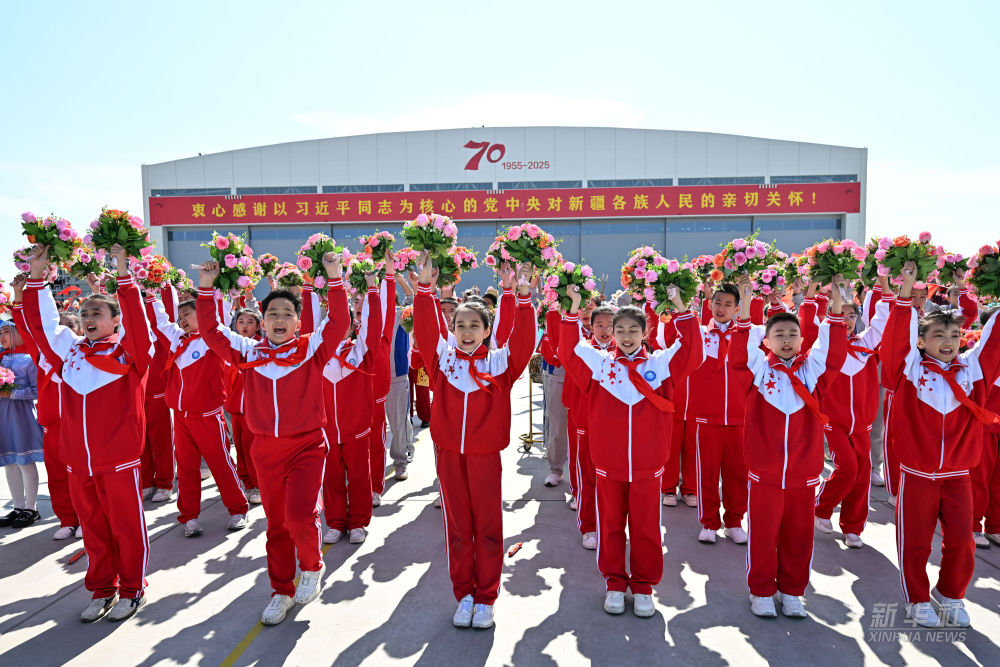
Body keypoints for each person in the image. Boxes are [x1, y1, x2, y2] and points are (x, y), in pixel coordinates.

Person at [196, 253, 349, 626]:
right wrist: (205, 288)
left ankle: (311, 567)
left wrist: (334, 278)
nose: (280, 319)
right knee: (277, 524)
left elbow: (339, 323)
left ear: (298, 321)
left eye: (287, 314)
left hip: (307, 446)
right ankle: (281, 590)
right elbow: (211, 331)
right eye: (273, 314)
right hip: (264, 449)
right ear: (262, 321)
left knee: (300, 516)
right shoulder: (250, 352)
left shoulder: (311, 348)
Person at [22, 244, 155, 623]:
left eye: (97, 312)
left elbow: (139, 326)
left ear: (115, 321)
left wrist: (124, 274)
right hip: (78, 462)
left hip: (118, 460)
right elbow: (43, 327)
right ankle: (102, 589)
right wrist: (36, 277)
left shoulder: (129, 353)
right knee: (94, 531)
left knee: (126, 528)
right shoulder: (70, 353)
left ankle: (132, 589)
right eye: (84, 313)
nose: (88, 317)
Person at [560, 283, 702, 618]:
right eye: (620, 330)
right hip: (608, 464)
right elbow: (569, 351)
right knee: (610, 526)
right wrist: (572, 308)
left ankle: (642, 587)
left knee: (646, 529)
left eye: (633, 330)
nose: (626, 336)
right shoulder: (600, 364)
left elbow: (692, 351)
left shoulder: (661, 365)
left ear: (645, 333)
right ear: (611, 333)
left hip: (647, 466)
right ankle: (613, 583)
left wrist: (682, 309)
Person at [413, 254, 535, 630]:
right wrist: (424, 289)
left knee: (487, 528)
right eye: (460, 325)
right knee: (458, 528)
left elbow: (524, 341)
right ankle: (464, 594)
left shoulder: (499, 363)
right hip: (449, 456)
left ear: (486, 330)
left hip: (485, 458)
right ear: (452, 329)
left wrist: (524, 298)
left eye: (474, 325)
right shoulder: (442, 361)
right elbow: (426, 329)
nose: (467, 331)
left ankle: (486, 598)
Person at [880, 261, 1000, 628]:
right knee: (916, 543)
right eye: (938, 336)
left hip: (959, 475)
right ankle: (917, 599)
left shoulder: (972, 370)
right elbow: (895, 342)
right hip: (918, 475)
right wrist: (905, 293)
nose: (947, 342)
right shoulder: (910, 369)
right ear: (921, 341)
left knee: (962, 542)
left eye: (953, 335)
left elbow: (994, 343)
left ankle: (951, 595)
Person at [730, 273, 846, 619]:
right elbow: (740, 354)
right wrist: (746, 305)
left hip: (803, 474)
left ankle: (793, 591)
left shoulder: (812, 370)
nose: (786, 339)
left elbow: (832, 349)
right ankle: (762, 590)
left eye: (792, 334)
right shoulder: (757, 370)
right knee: (763, 536)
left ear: (802, 340)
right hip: (764, 473)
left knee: (799, 536)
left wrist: (836, 303)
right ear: (766, 341)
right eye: (778, 334)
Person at [145, 294, 250, 536]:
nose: (182, 319)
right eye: (180, 316)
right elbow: (160, 321)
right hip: (182, 417)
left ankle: (238, 509)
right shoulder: (177, 339)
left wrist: (212, 291)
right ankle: (189, 517)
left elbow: (216, 314)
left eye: (187, 314)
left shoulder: (212, 340)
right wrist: (150, 292)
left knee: (221, 464)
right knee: (186, 468)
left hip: (208, 416)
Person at [804, 276, 891, 548]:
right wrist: (830, 296)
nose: (847, 320)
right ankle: (821, 507)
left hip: (862, 425)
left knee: (862, 477)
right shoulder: (826, 347)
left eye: (852, 315)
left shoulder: (866, 344)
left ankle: (853, 527)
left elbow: (883, 320)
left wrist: (884, 282)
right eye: (842, 314)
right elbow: (817, 325)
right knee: (848, 469)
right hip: (834, 423)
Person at [300, 271, 380, 546]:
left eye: (342, 324)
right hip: (325, 431)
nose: (337, 328)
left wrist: (372, 289)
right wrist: (308, 286)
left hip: (356, 428)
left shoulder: (360, 350)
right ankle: (335, 522)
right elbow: (307, 324)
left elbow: (373, 325)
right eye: (331, 323)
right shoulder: (316, 353)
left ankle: (358, 522)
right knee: (331, 478)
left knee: (359, 477)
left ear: (350, 327)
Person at [9, 275, 80, 538]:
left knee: (81, 477)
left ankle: (86, 519)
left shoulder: (84, 355)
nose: (60, 334)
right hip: (52, 428)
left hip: (78, 427)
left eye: (68, 328)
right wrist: (19, 294)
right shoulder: (41, 357)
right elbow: (26, 327)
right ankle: (67, 520)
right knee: (58, 477)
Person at [0, 319, 44, 530]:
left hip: (21, 416)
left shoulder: (29, 359)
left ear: (20, 333)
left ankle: (31, 507)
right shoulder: (1, 358)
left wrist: (11, 392)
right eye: (0, 332)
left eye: (7, 331)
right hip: (2, 416)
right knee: (9, 462)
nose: (2, 337)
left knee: (25, 461)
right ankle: (17, 506)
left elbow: (38, 390)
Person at [228, 307, 263, 503]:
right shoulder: (232, 348)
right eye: (241, 321)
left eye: (250, 322)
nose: (244, 326)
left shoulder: (261, 348)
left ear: (258, 326)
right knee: (240, 449)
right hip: (235, 408)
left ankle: (258, 485)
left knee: (252, 449)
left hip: (253, 410)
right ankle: (247, 484)